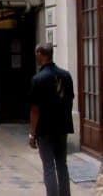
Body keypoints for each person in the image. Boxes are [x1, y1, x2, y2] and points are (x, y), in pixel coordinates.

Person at [28, 42, 74, 196]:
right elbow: (70, 100)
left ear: (41, 53)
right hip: (62, 127)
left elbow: (35, 109)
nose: (35, 56)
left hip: (45, 128)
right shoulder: (66, 75)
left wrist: (32, 133)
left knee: (48, 167)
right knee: (62, 164)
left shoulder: (38, 79)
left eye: (36, 53)